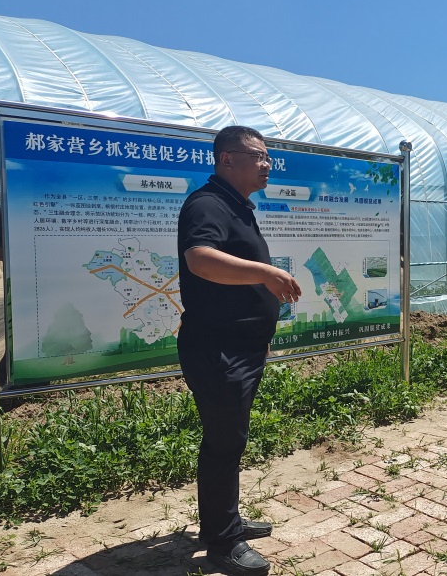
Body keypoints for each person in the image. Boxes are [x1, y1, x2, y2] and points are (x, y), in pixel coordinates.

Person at [178, 126, 301, 576]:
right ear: (227, 159)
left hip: (240, 346)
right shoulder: (207, 204)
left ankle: (224, 520)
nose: (267, 165)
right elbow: (200, 259)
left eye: (269, 157)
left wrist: (258, 331)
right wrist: (266, 273)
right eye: (259, 156)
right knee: (224, 442)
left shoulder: (236, 206)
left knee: (230, 440)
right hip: (218, 350)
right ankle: (223, 542)